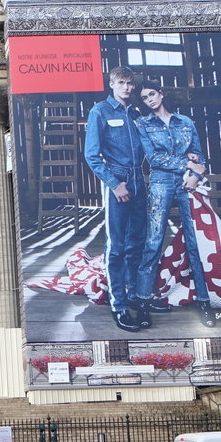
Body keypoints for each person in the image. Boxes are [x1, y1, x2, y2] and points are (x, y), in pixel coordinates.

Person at [132, 81, 215, 329]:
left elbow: (199, 155)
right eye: (145, 98)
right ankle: (143, 302)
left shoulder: (185, 122)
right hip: (160, 183)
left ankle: (203, 302)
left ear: (162, 93)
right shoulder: (142, 124)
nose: (149, 100)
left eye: (152, 94)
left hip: (188, 184)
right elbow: (154, 158)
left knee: (194, 241)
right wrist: (187, 164)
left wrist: (196, 175)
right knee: (154, 241)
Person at [83, 66, 146, 332]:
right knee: (117, 247)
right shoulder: (100, 111)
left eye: (131, 84)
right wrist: (114, 184)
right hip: (118, 181)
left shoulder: (137, 112)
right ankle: (119, 305)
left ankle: (134, 297)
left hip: (140, 180)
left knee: (137, 244)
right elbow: (92, 155)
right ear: (112, 84)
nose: (128, 88)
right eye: (122, 83)